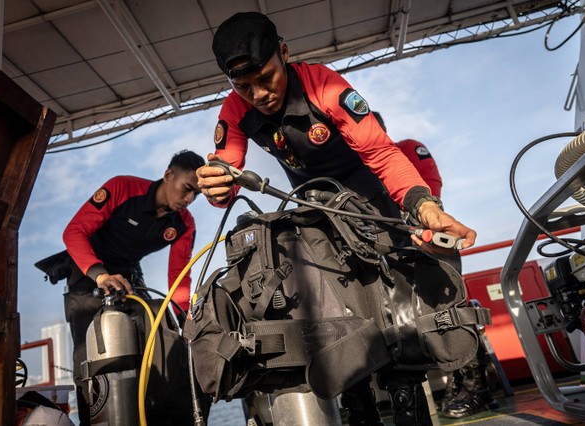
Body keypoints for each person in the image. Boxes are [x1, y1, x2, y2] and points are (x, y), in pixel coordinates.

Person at [196, 12, 477, 426]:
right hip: (313, 213)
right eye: (243, 85)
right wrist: (216, 187)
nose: (258, 94)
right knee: (330, 314)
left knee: (397, 306)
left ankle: (408, 405)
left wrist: (424, 207)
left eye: (265, 77)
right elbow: (227, 172)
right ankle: (358, 408)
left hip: (372, 201)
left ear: (285, 54)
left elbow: (381, 153)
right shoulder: (235, 109)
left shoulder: (324, 86)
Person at [62, 150, 204, 425]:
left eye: (195, 195)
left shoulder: (184, 224)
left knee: (161, 337)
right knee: (89, 358)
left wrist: (185, 317)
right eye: (187, 189)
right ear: (168, 175)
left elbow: (179, 278)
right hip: (87, 272)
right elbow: (74, 232)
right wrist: (99, 275)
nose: (189, 200)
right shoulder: (123, 188)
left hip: (128, 276)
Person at [374, 111, 499, 419]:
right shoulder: (354, 167)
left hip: (425, 240)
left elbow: (430, 186)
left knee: (449, 310)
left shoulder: (405, 150)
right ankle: (453, 385)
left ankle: (475, 386)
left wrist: (417, 223)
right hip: (389, 250)